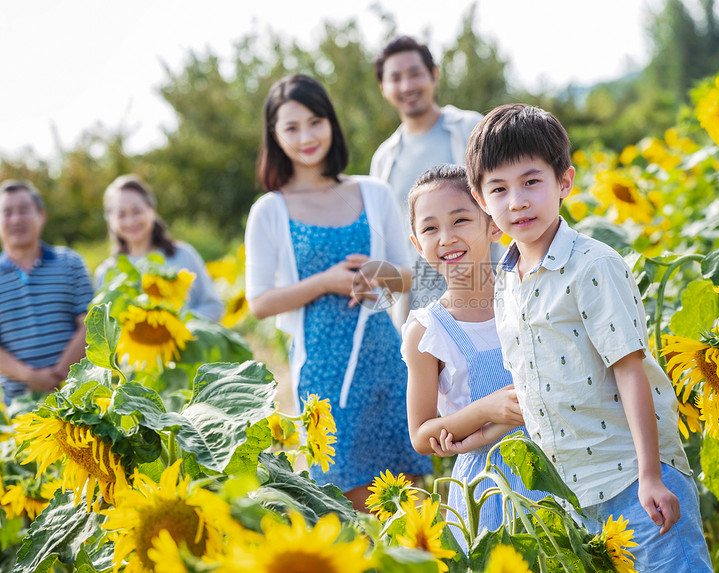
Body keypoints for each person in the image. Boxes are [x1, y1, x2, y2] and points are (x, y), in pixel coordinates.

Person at [465, 104, 713, 571]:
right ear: (481, 200)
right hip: (568, 495)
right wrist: (471, 435)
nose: (516, 201)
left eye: (531, 182)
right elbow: (539, 390)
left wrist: (650, 476)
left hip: (633, 480)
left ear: (565, 182)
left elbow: (629, 370)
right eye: (499, 189)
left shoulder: (592, 265)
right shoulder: (506, 280)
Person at [244, 74, 432, 510]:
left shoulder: (373, 191)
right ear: (274, 135)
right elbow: (259, 302)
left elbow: (407, 274)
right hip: (321, 371)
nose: (307, 136)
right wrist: (324, 282)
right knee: (342, 502)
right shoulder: (269, 210)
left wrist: (376, 275)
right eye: (291, 127)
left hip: (385, 357)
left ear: (331, 123)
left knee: (411, 501)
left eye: (316, 121)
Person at [401, 164, 546, 545]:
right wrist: (485, 412)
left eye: (461, 220)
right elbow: (421, 435)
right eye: (430, 228)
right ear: (417, 244)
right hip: (486, 491)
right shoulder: (427, 331)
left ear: (493, 225)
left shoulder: (530, 297)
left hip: (555, 468)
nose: (446, 238)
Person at [370, 35, 485, 316]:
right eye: (395, 78)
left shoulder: (472, 128)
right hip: (418, 311)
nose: (407, 85)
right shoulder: (384, 159)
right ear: (383, 88)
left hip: (484, 299)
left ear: (433, 75)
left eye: (415, 73)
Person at [0, 180, 93, 407]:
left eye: (24, 210)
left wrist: (59, 374)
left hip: (80, 400)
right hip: (19, 410)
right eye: (7, 212)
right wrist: (31, 376)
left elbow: (90, 323)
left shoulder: (70, 262)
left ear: (41, 215)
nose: (16, 219)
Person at [95, 174, 224, 322]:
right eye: (121, 214)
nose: (130, 221)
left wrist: (176, 327)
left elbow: (214, 307)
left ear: (152, 210)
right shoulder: (105, 273)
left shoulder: (183, 255)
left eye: (137, 211)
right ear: (110, 220)